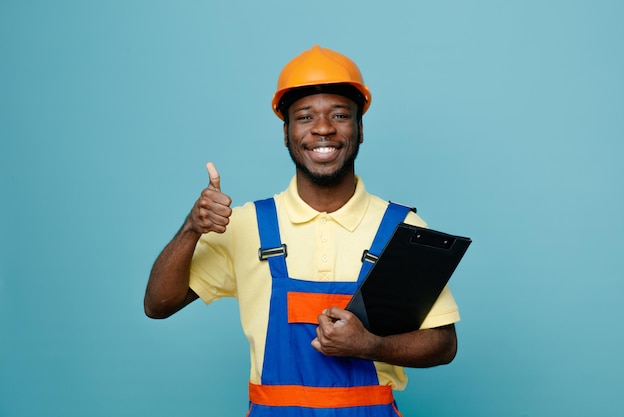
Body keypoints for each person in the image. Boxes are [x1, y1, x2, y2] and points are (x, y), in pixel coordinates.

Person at [145, 45, 460, 416]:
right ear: (286, 132)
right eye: (305, 116)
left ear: (360, 129)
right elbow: (158, 305)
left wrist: (370, 345)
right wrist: (191, 229)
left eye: (340, 115)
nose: (323, 128)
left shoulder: (401, 229)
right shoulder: (246, 225)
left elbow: (443, 344)